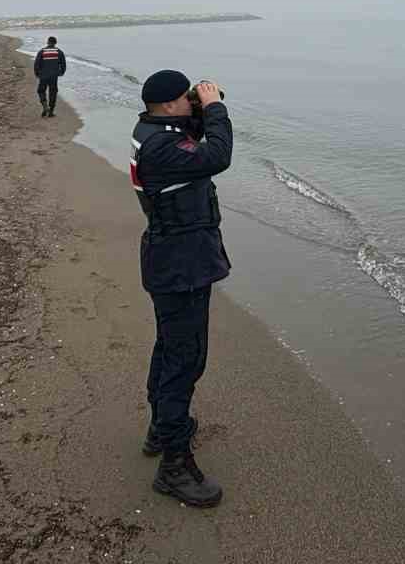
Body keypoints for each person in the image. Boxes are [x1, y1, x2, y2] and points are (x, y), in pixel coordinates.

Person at [131, 69, 232, 507]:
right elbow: (218, 155)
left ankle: (160, 428)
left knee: (170, 348)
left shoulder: (151, 129)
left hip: (171, 258)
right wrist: (214, 108)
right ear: (172, 104)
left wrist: (200, 101)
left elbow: (190, 137)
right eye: (187, 99)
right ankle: (174, 466)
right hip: (181, 265)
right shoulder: (163, 146)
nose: (194, 104)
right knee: (184, 360)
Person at [33, 36, 66, 117]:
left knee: (41, 91)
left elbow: (37, 64)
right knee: (53, 92)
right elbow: (63, 64)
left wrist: (37, 73)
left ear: (47, 42)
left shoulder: (42, 51)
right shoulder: (59, 52)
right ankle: (51, 111)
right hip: (54, 76)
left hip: (43, 75)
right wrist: (61, 72)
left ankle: (45, 106)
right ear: (55, 43)